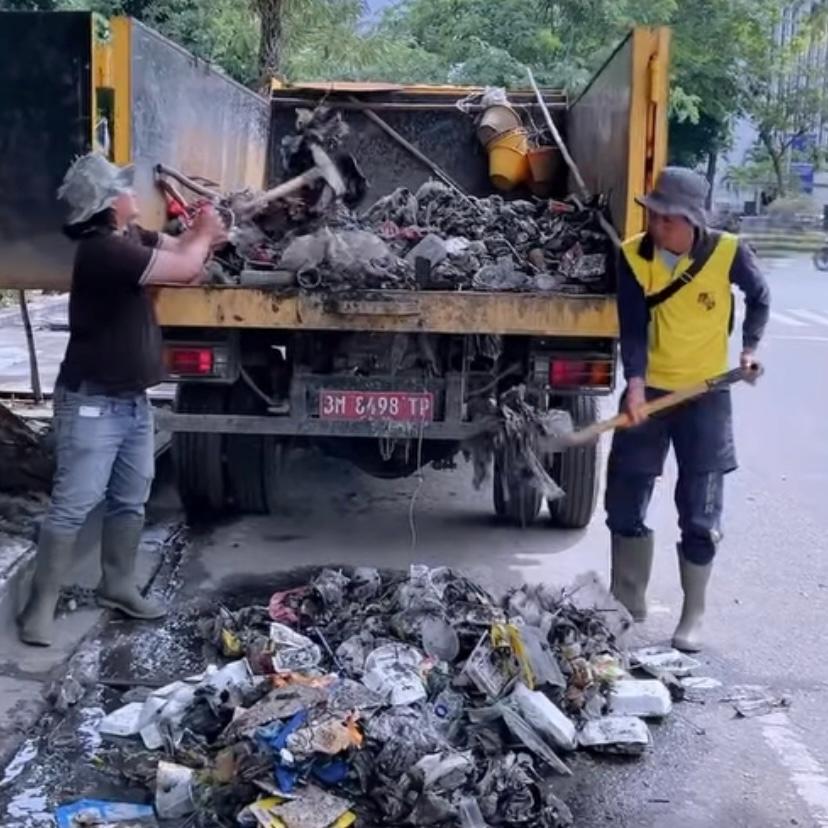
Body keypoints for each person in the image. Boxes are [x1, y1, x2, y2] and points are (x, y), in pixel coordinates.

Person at [18, 153, 226, 646]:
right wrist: (204, 235)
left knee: (130, 499)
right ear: (110, 205)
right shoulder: (103, 252)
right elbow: (184, 265)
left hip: (130, 402)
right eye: (124, 188)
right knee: (74, 503)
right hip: (93, 402)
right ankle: (38, 609)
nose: (134, 195)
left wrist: (202, 234)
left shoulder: (128, 240)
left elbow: (185, 263)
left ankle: (118, 586)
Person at [606, 167, 770, 653]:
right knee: (624, 496)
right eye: (653, 216)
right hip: (650, 392)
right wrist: (634, 386)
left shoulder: (727, 251)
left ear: (693, 221)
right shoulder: (633, 255)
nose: (657, 227)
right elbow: (632, 329)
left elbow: (759, 297)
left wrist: (749, 349)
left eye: (667, 220)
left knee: (700, 510)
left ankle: (692, 614)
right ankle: (626, 601)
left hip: (706, 396)